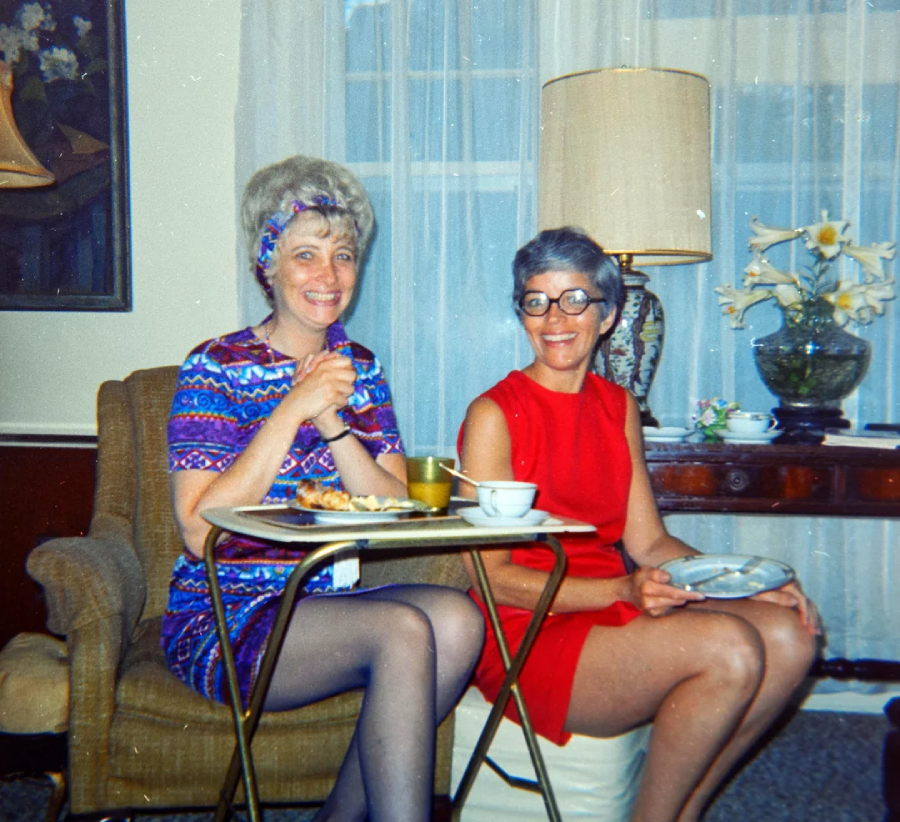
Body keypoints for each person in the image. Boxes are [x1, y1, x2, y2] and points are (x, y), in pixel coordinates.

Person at [457, 226, 820, 822]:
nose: (556, 318)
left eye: (575, 299)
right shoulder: (495, 413)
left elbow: (647, 540)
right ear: (520, 312)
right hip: (531, 630)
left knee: (789, 634)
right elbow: (489, 577)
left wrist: (745, 580)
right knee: (729, 648)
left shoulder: (614, 404)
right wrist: (621, 589)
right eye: (537, 300)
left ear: (606, 315)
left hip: (611, 608)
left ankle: (681, 811)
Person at [161, 155, 485, 822]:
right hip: (225, 616)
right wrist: (291, 407)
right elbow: (199, 531)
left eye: (343, 254)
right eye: (305, 254)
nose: (328, 276)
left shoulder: (359, 369)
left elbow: (395, 505)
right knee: (399, 630)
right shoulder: (214, 367)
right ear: (267, 263)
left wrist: (335, 419)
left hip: (328, 600)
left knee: (458, 620)